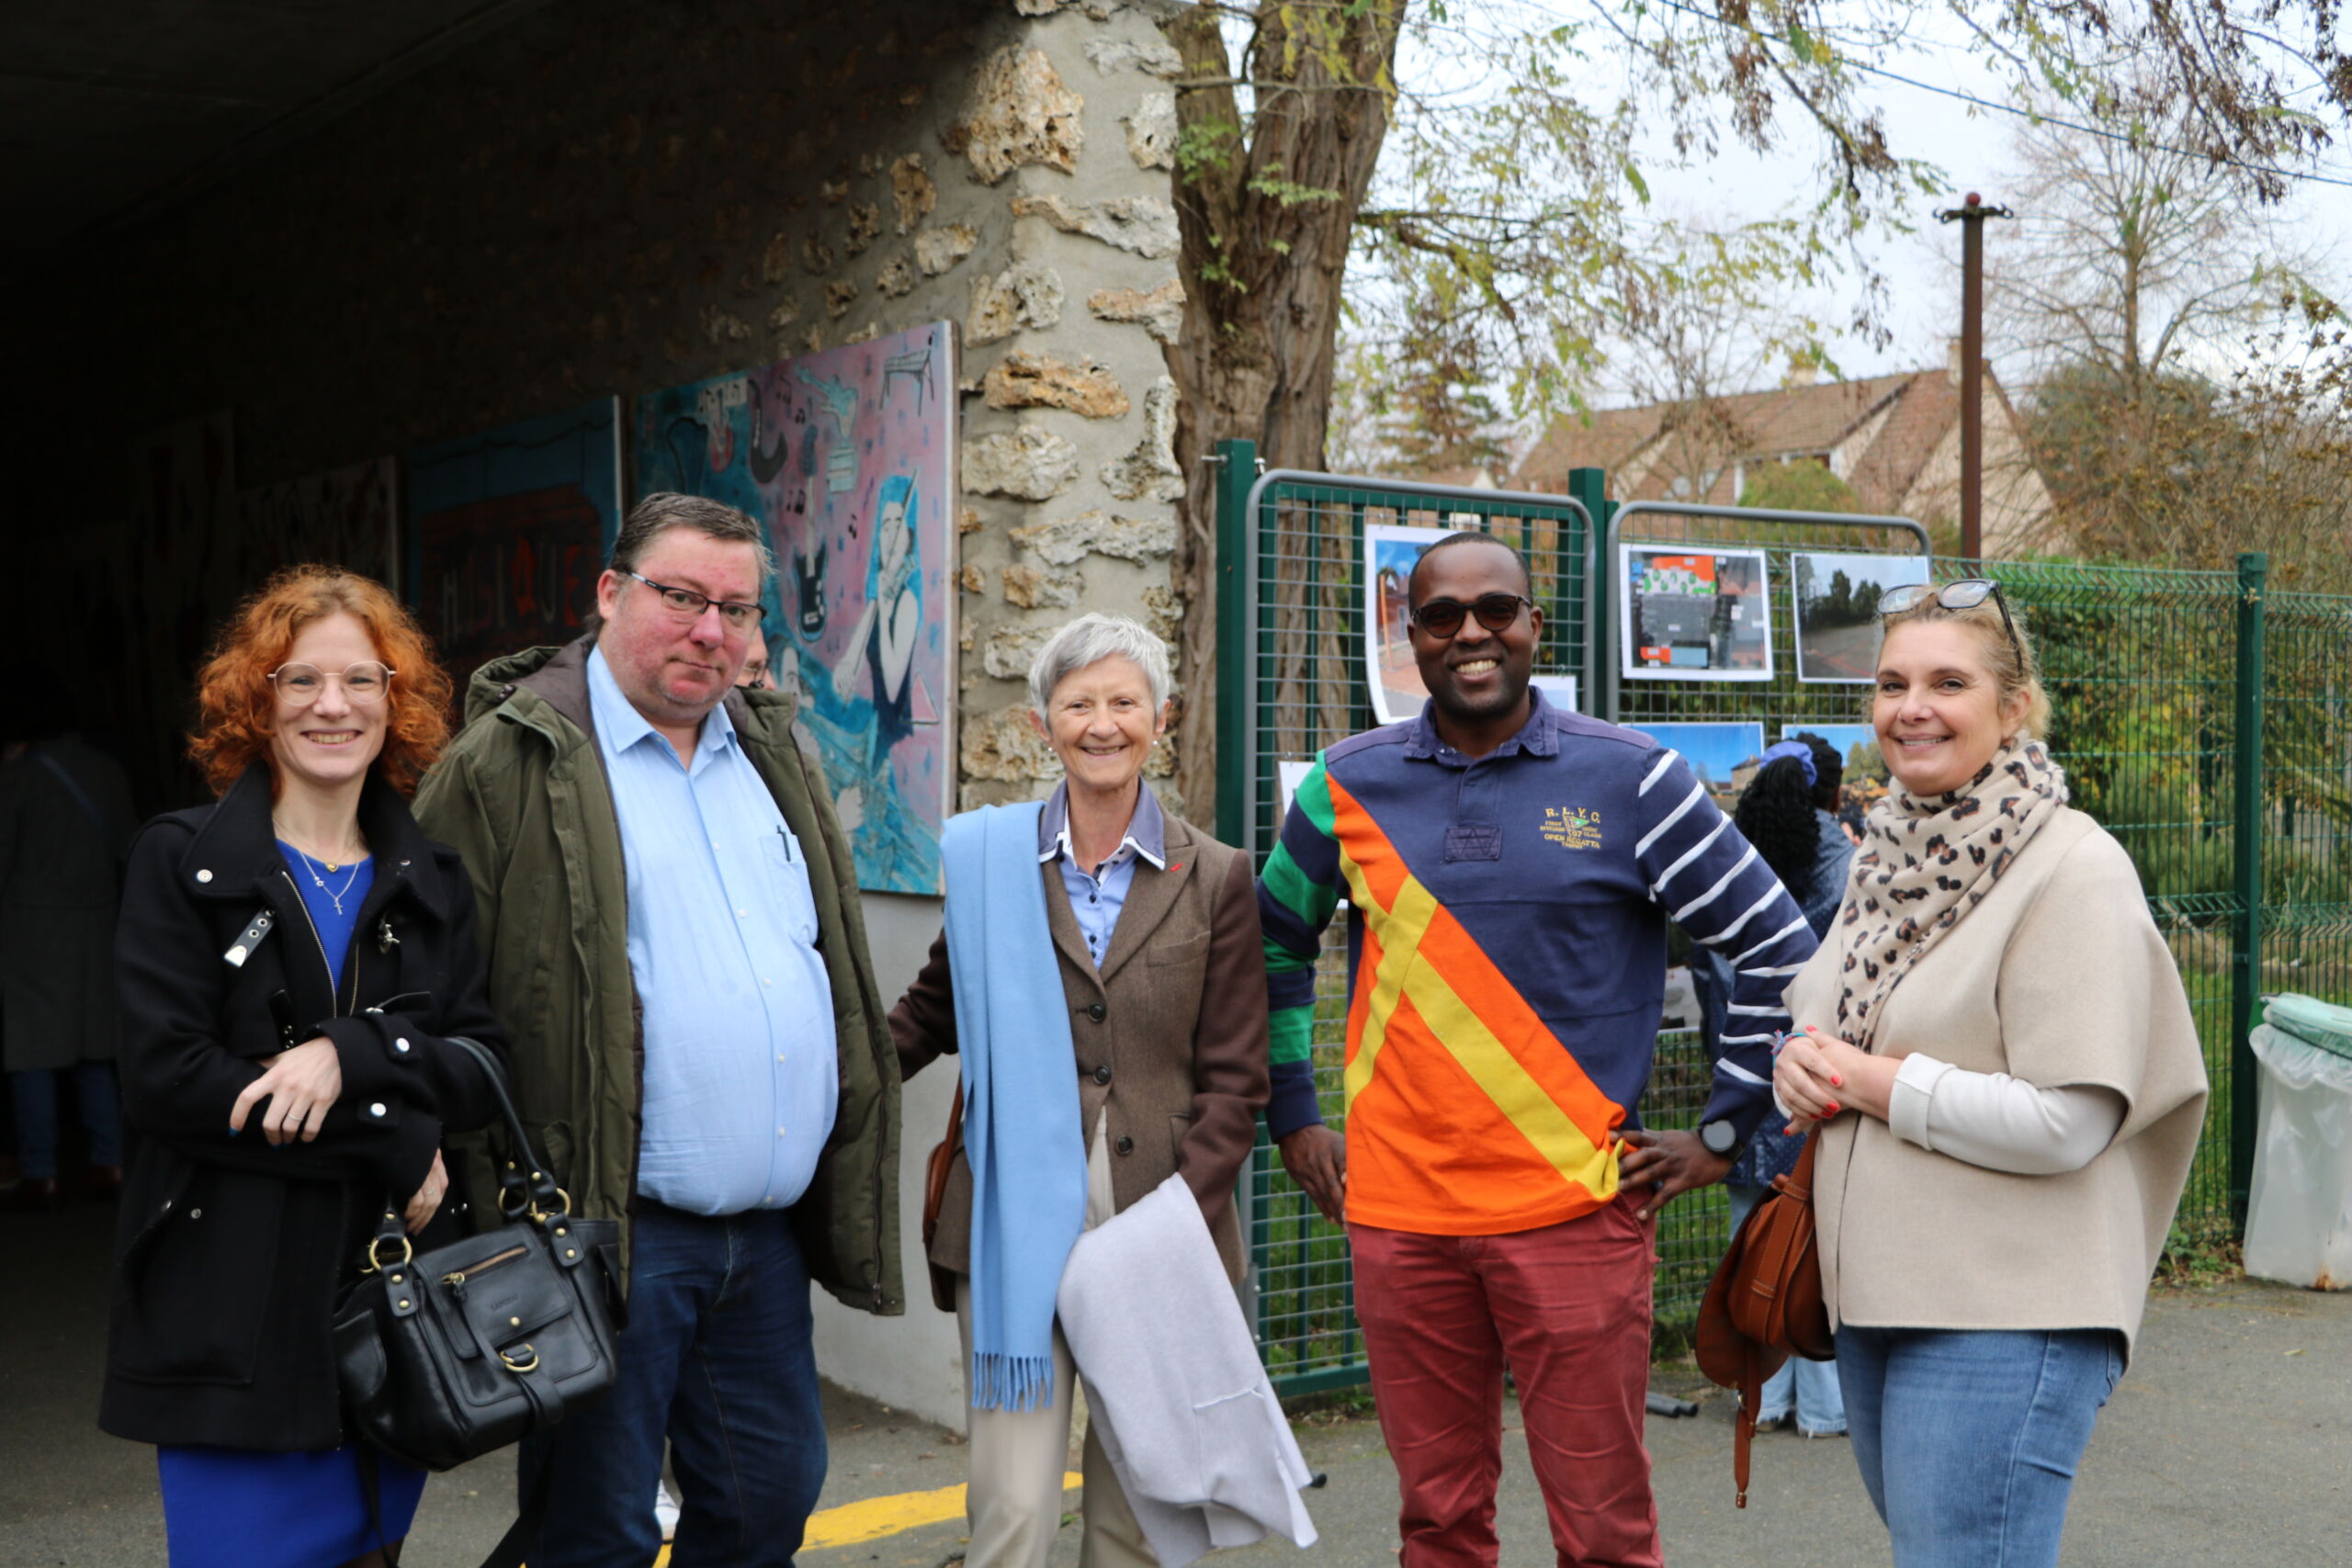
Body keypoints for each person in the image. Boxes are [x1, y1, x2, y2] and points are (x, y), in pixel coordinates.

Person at [1258, 532, 1817, 1567]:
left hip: (1573, 1213)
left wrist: (1727, 1128)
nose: (1470, 633)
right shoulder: (1343, 786)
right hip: (1400, 1221)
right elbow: (1270, 945)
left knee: (1602, 1527)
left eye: (1495, 610)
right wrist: (1292, 1115)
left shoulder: (1633, 780)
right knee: (1437, 1522)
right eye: (1440, 617)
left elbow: (1779, 947)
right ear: (1408, 639)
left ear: (1533, 626)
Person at [413, 491, 902, 1568]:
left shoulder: (773, 754)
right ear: (608, 593)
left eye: (735, 608)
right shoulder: (503, 766)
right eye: (680, 597)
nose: (710, 631)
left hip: (761, 1240)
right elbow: (430, 999)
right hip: (604, 1230)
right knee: (596, 1526)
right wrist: (488, 1200)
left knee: (772, 1496)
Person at [1773, 580, 2208, 1568]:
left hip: (2008, 1309)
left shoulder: (2070, 867)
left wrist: (1864, 1081)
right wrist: (1796, 1066)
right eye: (1890, 683)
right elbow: (1828, 1019)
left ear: (2013, 708)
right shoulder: (1887, 853)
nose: (1909, 707)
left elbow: (2068, 1121)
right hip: (1880, 1294)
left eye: (1946, 682)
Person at [100, 567, 508, 1568]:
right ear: (257, 701)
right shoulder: (181, 863)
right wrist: (402, 1138)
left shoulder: (432, 880)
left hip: (389, 1316)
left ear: (396, 702)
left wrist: (349, 1051)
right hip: (226, 1317)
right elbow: (172, 1083)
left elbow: (483, 1062)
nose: (335, 705)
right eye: (300, 681)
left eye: (363, 681)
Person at [888, 613, 1269, 1568]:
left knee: (1137, 1507)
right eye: (1078, 703)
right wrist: (825, 1084)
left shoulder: (1217, 876)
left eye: (1124, 702)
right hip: (1012, 1215)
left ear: (1160, 718)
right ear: (1040, 724)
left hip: (1159, 1216)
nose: (1102, 723)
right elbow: (929, 1014)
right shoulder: (984, 860)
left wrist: (1186, 1214)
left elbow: (1234, 1075)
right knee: (1011, 1505)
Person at [1693, 732, 1852, 1440]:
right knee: (1814, 1243)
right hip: (1821, 1081)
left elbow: (1707, 973)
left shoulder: (1727, 859)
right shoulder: (1848, 864)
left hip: (1740, 1083)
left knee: (1745, 1240)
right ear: (1834, 795)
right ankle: (1824, 1406)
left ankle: (1758, 1394)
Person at [0, 678, 138, 1212]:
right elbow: (129, 844)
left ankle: (42, 1171)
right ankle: (111, 1161)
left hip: (31, 931)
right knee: (97, 1051)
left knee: (32, 1053)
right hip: (99, 923)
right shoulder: (105, 770)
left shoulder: (16, 779)